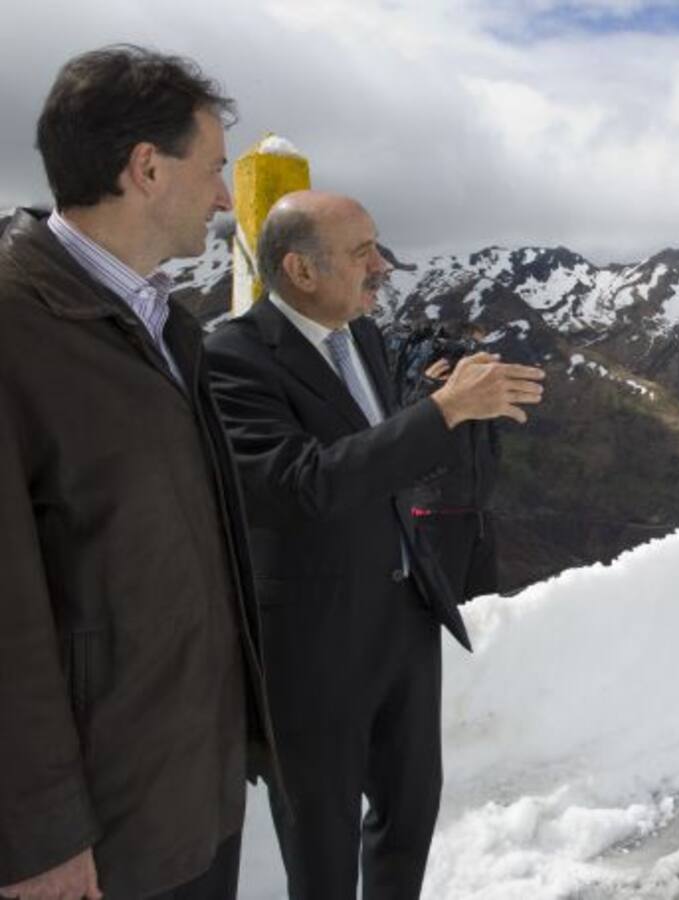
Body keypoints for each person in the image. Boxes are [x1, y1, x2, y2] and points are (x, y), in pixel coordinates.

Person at [204, 190, 544, 899]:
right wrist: (442, 413)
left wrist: (428, 403)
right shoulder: (233, 356)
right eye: (362, 253)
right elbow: (306, 483)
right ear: (299, 269)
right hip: (313, 643)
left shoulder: (359, 335)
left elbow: (372, 451)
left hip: (403, 620)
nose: (382, 265)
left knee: (408, 817)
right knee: (322, 842)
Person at [0, 46, 278, 900]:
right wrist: (37, 839)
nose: (227, 198)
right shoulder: (16, 330)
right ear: (146, 168)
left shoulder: (159, 324)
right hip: (94, 843)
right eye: (215, 170)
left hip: (188, 796)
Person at [391, 322, 501, 600]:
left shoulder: (474, 392)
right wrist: (426, 390)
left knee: (482, 612)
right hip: (435, 517)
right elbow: (398, 434)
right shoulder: (418, 386)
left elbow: (489, 442)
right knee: (437, 611)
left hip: (476, 514)